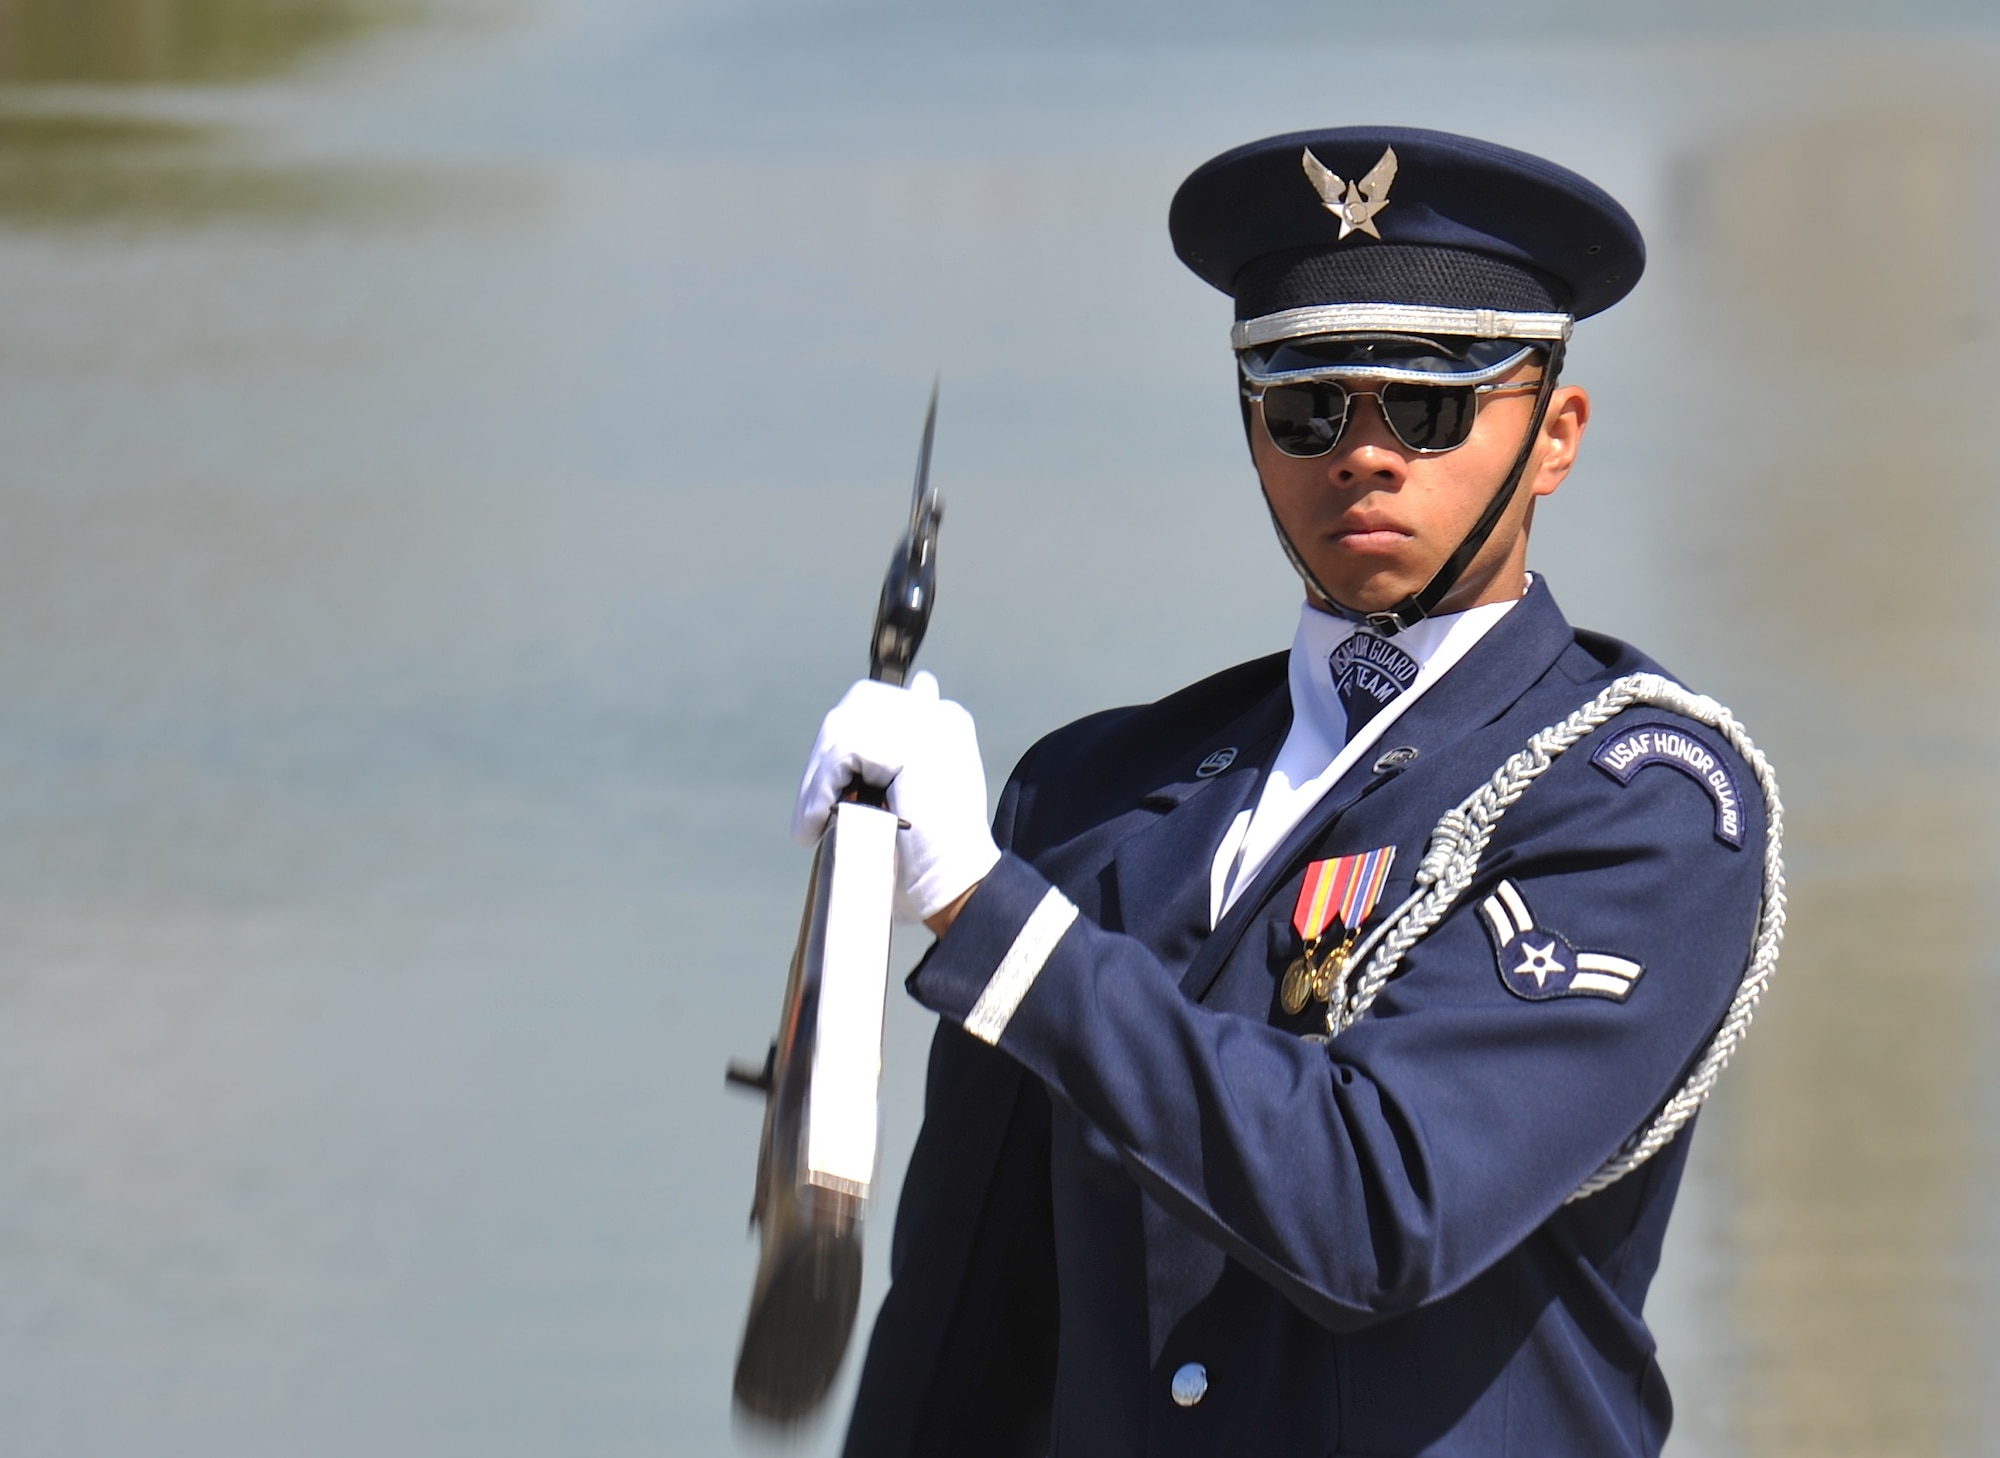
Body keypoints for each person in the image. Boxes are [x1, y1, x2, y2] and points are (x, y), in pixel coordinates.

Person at [792, 126, 1783, 1458]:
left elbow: (1379, 1208)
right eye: (1308, 405)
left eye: (1428, 406)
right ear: (1252, 429)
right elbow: (969, 1325)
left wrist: (987, 910)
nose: (1362, 454)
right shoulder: (1088, 792)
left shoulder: (1642, 802)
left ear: (1556, 434)